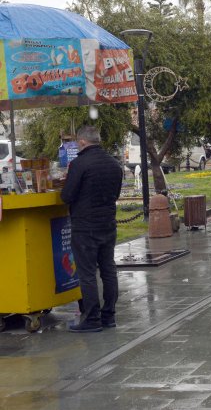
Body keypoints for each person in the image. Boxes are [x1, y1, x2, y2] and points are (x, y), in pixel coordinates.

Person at [61, 126, 123, 332]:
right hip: (108, 223)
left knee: (87, 273)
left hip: (85, 226)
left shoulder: (79, 164)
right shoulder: (115, 164)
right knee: (108, 269)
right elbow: (115, 193)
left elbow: (66, 196)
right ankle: (110, 316)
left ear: (82, 142)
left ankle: (91, 318)